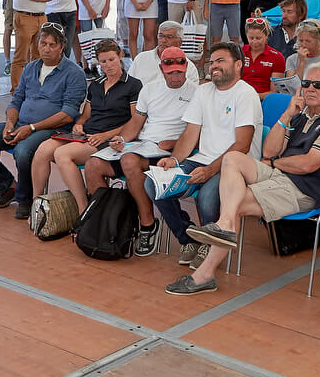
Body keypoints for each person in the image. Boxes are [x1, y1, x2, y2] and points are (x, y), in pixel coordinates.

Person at [172, 59, 320, 295]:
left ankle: (204, 275)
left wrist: (275, 163)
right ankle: (224, 225)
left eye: (318, 85)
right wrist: (286, 115)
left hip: (304, 190)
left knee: (234, 203)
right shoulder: (300, 115)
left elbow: (308, 164)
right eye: (306, 83)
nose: (309, 89)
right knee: (232, 158)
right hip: (281, 175)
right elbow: (268, 151)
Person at [143, 42, 260, 270]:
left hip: (235, 165)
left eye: (221, 61)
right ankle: (188, 238)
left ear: (238, 65)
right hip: (202, 159)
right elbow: (190, 134)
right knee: (154, 184)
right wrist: (174, 160)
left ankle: (210, 245)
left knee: (207, 197)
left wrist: (209, 171)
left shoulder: (246, 94)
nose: (214, 66)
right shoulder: (203, 91)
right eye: (212, 61)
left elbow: (242, 145)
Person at [0, 24, 86, 219]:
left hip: (53, 129)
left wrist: (32, 128)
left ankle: (25, 200)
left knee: (22, 151)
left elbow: (68, 114)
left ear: (62, 47)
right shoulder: (30, 67)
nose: (46, 49)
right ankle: (6, 187)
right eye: (43, 43)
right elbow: (16, 100)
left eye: (52, 45)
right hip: (21, 124)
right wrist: (10, 123)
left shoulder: (74, 73)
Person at [84, 47, 197, 252]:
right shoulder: (150, 89)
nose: (175, 77)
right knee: (93, 165)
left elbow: (197, 131)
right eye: (170, 72)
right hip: (142, 145)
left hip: (168, 151)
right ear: (161, 69)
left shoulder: (196, 92)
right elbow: (136, 122)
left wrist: (174, 142)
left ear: (186, 68)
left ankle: (147, 224)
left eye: (179, 72)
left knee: (129, 160)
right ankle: (106, 222)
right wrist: (121, 139)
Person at [34, 39, 141, 220]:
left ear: (120, 56)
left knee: (62, 154)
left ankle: (83, 209)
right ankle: (36, 205)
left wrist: (105, 135)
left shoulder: (133, 85)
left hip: (109, 139)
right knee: (43, 150)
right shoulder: (96, 84)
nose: (108, 65)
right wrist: (79, 124)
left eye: (112, 59)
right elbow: (86, 115)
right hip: (88, 134)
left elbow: (135, 121)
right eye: (103, 61)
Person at [130, 21, 200, 85]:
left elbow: (192, 91)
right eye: (161, 36)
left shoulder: (189, 67)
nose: (163, 40)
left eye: (169, 37)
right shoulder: (141, 59)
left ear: (180, 42)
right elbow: (129, 84)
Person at [240, 15, 286, 94]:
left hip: (264, 98)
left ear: (266, 35)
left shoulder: (277, 57)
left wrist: (253, 97)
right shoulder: (240, 52)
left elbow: (274, 91)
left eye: (258, 38)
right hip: (240, 96)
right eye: (251, 38)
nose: (254, 42)